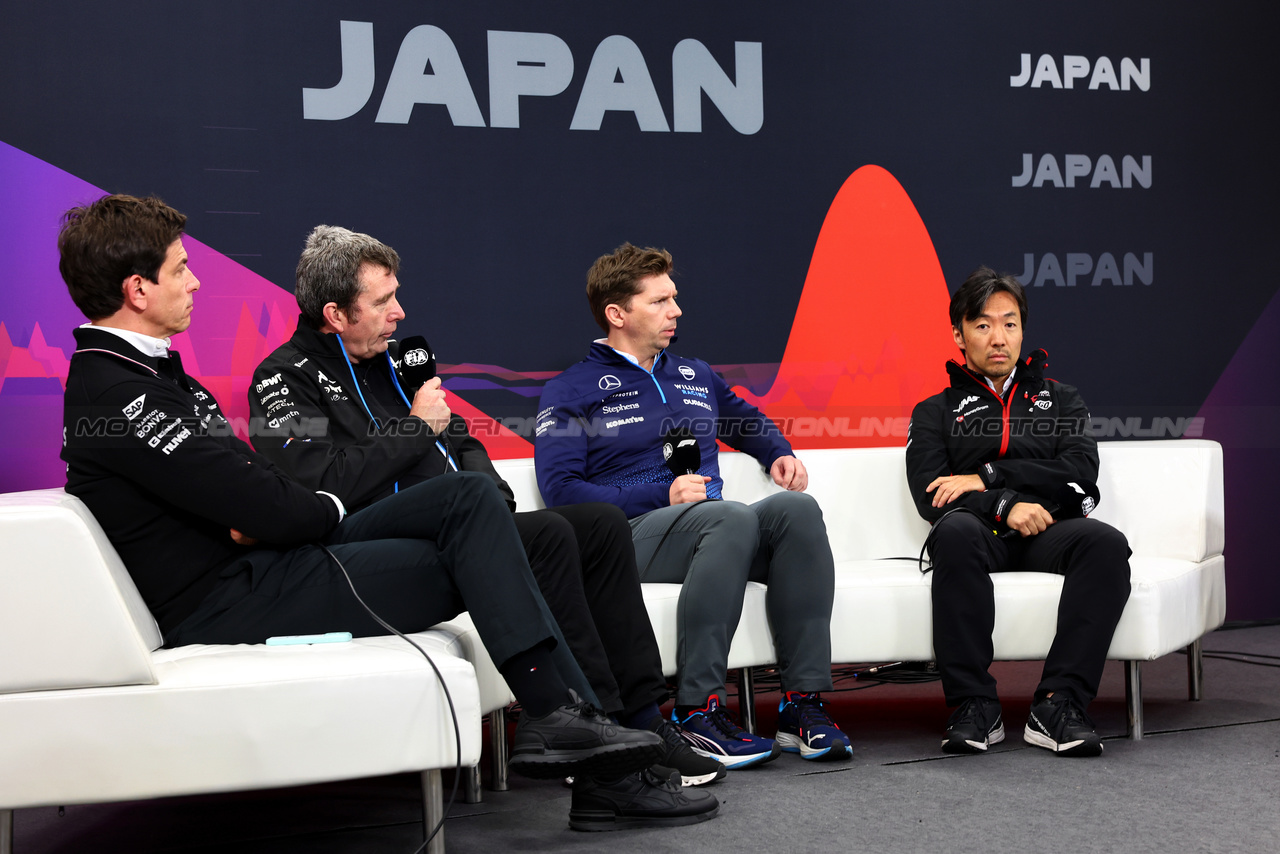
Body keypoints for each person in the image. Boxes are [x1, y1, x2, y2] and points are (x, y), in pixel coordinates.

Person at [56, 195, 717, 832]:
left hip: (272, 559)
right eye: (180, 269)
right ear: (138, 290)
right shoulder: (126, 391)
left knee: (494, 508)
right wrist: (293, 504)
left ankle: (601, 741)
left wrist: (275, 506)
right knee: (475, 517)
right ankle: (564, 721)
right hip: (238, 591)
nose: (196, 281)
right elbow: (275, 499)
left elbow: (259, 490)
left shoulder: (155, 374)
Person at [247, 225, 725, 793]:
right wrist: (414, 428)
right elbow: (319, 484)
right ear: (335, 313)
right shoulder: (282, 379)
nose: (399, 312)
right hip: (376, 548)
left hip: (468, 527)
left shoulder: (401, 363)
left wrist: (492, 503)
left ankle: (642, 717)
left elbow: (464, 443)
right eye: (382, 302)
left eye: (397, 294)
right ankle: (600, 733)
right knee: (550, 536)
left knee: (596, 527)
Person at [534, 242, 850, 768]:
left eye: (674, 298)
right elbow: (561, 490)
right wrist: (661, 493)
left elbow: (743, 419)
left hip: (715, 533)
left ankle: (803, 705)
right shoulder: (571, 390)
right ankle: (696, 712)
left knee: (797, 511)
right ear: (617, 314)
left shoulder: (694, 373)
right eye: (659, 301)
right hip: (629, 541)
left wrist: (778, 452)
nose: (676, 310)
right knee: (726, 516)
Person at [905, 265, 1131, 757]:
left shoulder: (1062, 400)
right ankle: (974, 707)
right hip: (980, 533)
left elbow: (1079, 477)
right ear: (959, 334)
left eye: (1010, 323)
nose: (999, 337)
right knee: (953, 532)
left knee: (1106, 543)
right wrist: (1003, 505)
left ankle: (1058, 704)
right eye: (983, 325)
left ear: (1022, 330)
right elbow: (932, 495)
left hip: (1050, 530)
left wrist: (987, 477)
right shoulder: (934, 412)